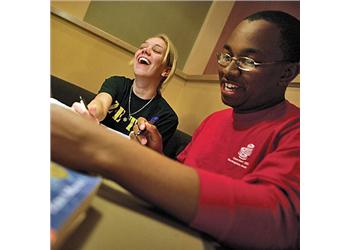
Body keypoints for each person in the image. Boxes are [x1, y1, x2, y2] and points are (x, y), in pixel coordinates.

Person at [51, 10, 300, 249]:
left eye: (247, 61)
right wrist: (155, 155)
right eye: (226, 56)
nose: (229, 70)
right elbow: (180, 180)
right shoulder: (214, 121)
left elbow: (276, 222)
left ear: (287, 73)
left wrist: (99, 147)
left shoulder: (295, 129)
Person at [72, 34, 179, 150]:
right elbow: (101, 103)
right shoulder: (116, 83)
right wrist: (93, 111)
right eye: (143, 46)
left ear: (166, 71)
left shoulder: (167, 116)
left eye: (156, 50)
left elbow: (150, 156)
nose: (145, 50)